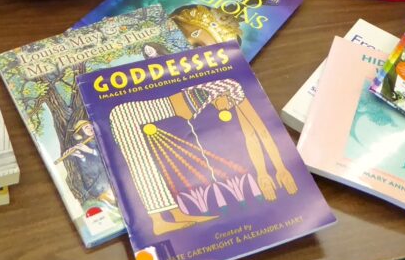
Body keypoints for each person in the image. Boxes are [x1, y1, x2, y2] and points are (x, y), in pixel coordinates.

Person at [108, 79, 298, 235]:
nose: (225, 110)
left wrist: (278, 169)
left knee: (146, 164)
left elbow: (255, 133)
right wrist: (269, 171)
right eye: (227, 105)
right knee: (141, 163)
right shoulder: (222, 89)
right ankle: (158, 221)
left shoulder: (226, 93)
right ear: (226, 95)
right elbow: (256, 132)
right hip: (125, 116)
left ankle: (176, 214)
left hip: (137, 115)